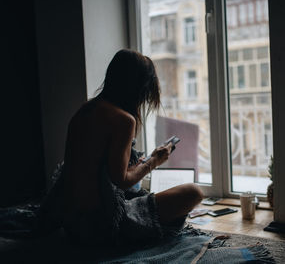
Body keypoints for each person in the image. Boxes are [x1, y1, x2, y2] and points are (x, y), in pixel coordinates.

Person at [36, 49, 203, 246]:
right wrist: (154, 161)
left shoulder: (87, 108)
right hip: (101, 224)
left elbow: (100, 170)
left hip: (70, 220)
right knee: (194, 193)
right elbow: (122, 181)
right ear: (139, 88)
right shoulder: (123, 120)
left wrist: (139, 164)